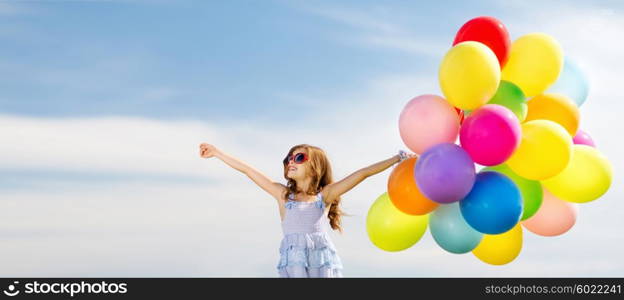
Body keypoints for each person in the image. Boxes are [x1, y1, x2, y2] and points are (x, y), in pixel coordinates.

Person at [199, 143, 412, 278]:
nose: (291, 161)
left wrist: (397, 158)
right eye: (289, 159)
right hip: (295, 266)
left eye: (299, 158)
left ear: (315, 167)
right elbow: (247, 170)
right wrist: (217, 153)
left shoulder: (324, 196)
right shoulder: (283, 196)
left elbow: (363, 173)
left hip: (321, 264)